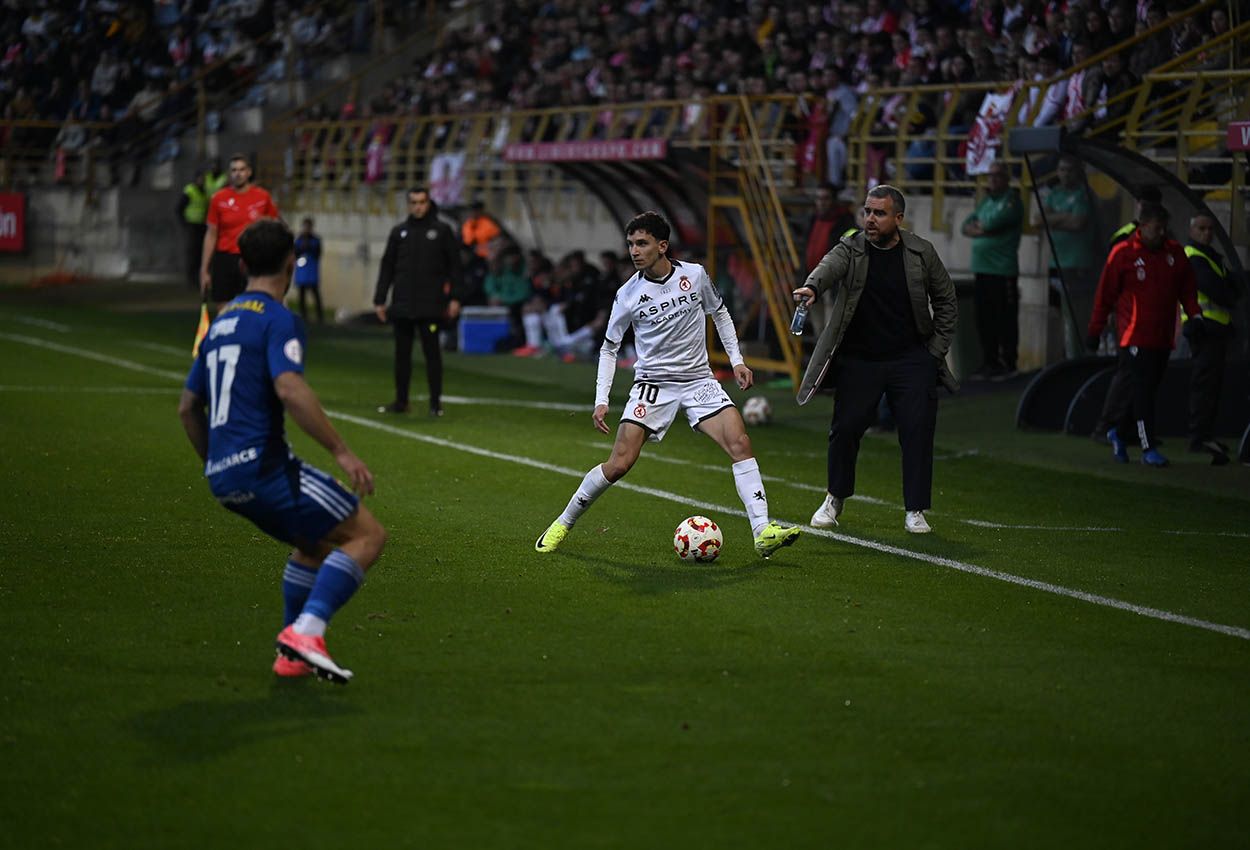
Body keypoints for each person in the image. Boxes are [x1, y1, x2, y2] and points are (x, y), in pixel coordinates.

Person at [177, 219, 386, 684]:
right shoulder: (276, 319)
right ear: (291, 264)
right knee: (367, 536)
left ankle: (291, 656)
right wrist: (343, 452)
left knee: (312, 543)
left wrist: (216, 462)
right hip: (264, 467)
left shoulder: (221, 321)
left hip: (224, 477)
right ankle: (306, 633)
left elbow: (188, 408)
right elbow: (289, 387)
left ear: (243, 264)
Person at [534, 211, 801, 559]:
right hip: (653, 385)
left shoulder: (695, 275)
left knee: (740, 442)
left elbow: (719, 312)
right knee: (619, 464)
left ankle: (762, 530)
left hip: (698, 381)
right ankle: (563, 523)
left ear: (662, 246)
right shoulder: (628, 294)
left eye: (641, 243)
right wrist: (602, 399)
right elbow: (609, 346)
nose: (634, 251)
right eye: (630, 244)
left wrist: (736, 360)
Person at [793, 185, 958, 534]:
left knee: (916, 432)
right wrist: (812, 287)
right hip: (860, 360)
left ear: (898, 218)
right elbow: (829, 266)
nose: (870, 219)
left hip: (911, 359)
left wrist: (934, 354)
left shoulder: (921, 253)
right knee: (845, 429)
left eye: (879, 213)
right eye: (867, 211)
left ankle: (915, 509)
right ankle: (834, 498)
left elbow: (946, 301)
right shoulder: (850, 247)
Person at [1086, 203, 1202, 467]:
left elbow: (1187, 290)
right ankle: (1147, 446)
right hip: (1134, 336)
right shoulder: (1123, 253)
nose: (1161, 233)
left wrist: (1195, 317)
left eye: (1163, 228)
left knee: (1150, 388)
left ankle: (1118, 431)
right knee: (1144, 391)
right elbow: (1105, 296)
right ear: (1143, 225)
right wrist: (1095, 330)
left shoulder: (1174, 253)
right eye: (1156, 228)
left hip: (1163, 336)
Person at [374, 187, 463, 417]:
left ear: (428, 203)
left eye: (422, 202)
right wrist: (380, 299)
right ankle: (401, 401)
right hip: (403, 305)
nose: (418, 207)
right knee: (401, 356)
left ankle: (436, 403)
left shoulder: (442, 231)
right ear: (408, 204)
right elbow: (387, 267)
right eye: (413, 202)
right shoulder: (399, 232)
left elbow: (455, 268)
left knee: (432, 355)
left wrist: (455, 297)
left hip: (431, 306)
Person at [1092, 185, 1164, 441]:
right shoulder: (1123, 238)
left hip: (1154, 317)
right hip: (1128, 317)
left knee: (1147, 374)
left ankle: (1132, 428)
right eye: (1143, 204)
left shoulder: (1163, 237)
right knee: (1128, 371)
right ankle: (1107, 426)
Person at [1183, 213, 1238, 465]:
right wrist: (1229, 288)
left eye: (1210, 229)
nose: (1207, 233)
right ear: (1191, 230)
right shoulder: (1194, 257)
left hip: (1215, 329)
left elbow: (1233, 288)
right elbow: (1220, 291)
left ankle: (1205, 435)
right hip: (1204, 329)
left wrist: (1229, 288)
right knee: (1204, 386)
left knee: (1211, 387)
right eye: (1201, 228)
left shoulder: (1209, 257)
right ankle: (1198, 438)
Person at [961, 160, 1023, 379]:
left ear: (1006, 179)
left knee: (1004, 318)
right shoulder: (986, 201)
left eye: (997, 175)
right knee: (984, 319)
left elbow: (988, 225)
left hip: (1002, 270)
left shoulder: (1012, 202)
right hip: (982, 270)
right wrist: (981, 229)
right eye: (990, 175)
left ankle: (1008, 363)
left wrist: (981, 228)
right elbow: (965, 226)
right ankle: (990, 362)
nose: (993, 179)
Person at [199, 153, 280, 312]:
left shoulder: (262, 197)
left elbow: (273, 229)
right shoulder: (219, 198)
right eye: (234, 170)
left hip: (253, 259)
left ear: (249, 172)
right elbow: (211, 234)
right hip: (225, 258)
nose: (238, 173)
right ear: (230, 174)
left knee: (254, 307)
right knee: (224, 309)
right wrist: (204, 269)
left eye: (242, 169)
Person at [1041, 154, 1096, 358]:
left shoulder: (1084, 194)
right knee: (1056, 312)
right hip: (1055, 261)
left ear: (1078, 171)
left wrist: (1055, 219)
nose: (1064, 174)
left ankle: (1077, 354)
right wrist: (1066, 216)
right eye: (1061, 169)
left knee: (1076, 313)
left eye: (1069, 169)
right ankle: (1060, 354)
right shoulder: (1055, 193)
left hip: (1077, 263)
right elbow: (1039, 219)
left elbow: (1078, 223)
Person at [177, 167, 210, 290]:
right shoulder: (190, 191)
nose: (201, 180)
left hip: (202, 226)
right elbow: (179, 209)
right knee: (192, 253)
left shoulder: (204, 192)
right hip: (192, 226)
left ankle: (197, 279)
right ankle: (190, 280)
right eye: (200, 178)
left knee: (200, 254)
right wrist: (185, 224)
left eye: (203, 178)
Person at [293, 217, 324, 324]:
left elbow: (318, 254)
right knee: (302, 295)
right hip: (301, 272)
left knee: (315, 294)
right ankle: (303, 315)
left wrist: (308, 246)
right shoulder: (299, 240)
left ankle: (320, 316)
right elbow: (295, 253)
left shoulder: (315, 240)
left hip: (311, 271)